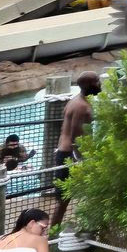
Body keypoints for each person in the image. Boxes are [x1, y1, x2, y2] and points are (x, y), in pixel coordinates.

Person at [50, 73, 99, 229]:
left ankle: (59, 231)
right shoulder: (81, 106)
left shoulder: (77, 101)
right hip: (69, 156)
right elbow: (75, 135)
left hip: (66, 153)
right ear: (89, 85)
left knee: (70, 198)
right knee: (63, 200)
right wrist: (83, 159)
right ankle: (53, 234)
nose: (100, 84)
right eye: (97, 81)